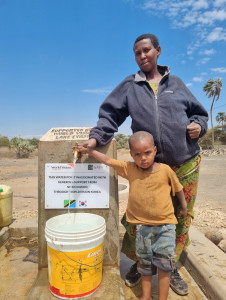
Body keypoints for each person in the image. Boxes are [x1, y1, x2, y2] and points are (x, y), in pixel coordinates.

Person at [77, 33, 209, 295]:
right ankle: (141, 263)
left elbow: (199, 113)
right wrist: (95, 139)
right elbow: (109, 116)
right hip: (150, 167)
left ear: (158, 51)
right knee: (140, 219)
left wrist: (198, 126)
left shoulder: (177, 83)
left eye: (147, 50)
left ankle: (169, 267)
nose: (142, 56)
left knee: (180, 219)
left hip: (184, 163)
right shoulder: (130, 86)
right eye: (137, 53)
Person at [78, 131, 187, 300]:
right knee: (145, 264)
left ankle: (162, 298)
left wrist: (184, 207)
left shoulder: (165, 170)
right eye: (138, 154)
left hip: (166, 227)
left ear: (155, 150)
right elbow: (108, 161)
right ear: (131, 155)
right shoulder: (130, 169)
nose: (143, 158)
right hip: (142, 229)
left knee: (165, 265)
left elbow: (178, 188)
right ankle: (145, 296)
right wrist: (91, 151)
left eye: (147, 153)